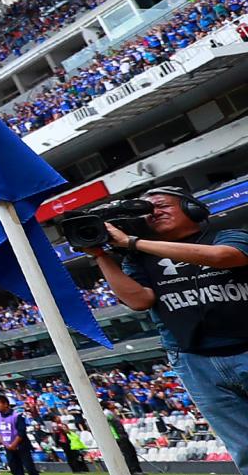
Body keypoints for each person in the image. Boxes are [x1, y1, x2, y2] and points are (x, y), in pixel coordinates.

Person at [83, 185, 248, 468]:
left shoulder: (228, 236)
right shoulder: (139, 258)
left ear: (191, 208)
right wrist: (101, 256)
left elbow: (223, 257)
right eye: (148, 211)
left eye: (162, 205)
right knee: (244, 448)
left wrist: (133, 242)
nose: (154, 213)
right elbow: (139, 300)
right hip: (194, 361)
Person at [0, 396, 36, 475]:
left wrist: (14, 444)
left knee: (29, 468)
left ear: (5, 404)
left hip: (21, 445)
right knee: (14, 469)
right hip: (8, 446)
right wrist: (5, 444)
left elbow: (21, 432)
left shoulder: (16, 415)